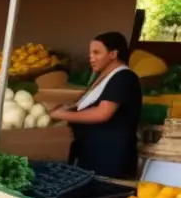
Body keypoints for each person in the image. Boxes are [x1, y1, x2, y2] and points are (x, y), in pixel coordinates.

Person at [50, 31, 143, 178]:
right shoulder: (105, 76)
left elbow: (102, 113)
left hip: (109, 158)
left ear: (113, 54)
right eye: (90, 53)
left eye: (96, 53)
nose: (91, 57)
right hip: (94, 155)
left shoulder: (124, 77)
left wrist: (62, 114)